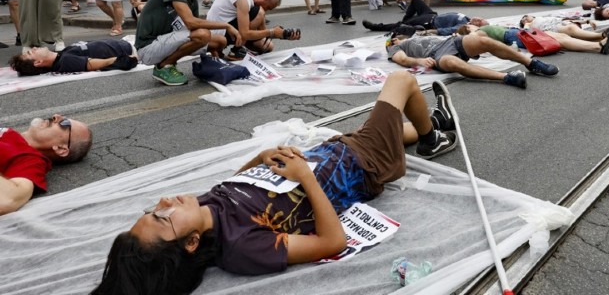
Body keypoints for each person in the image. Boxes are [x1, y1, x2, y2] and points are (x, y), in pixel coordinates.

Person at [92, 72, 457, 294]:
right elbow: (332, 242)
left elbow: (237, 185)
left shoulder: (201, 208)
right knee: (401, 81)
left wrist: (261, 156)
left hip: (334, 151)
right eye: (162, 217)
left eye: (153, 209)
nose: (164, 202)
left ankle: (431, 122)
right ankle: (431, 137)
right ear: (189, 244)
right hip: (364, 166)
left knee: (385, 127)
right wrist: (305, 179)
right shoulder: (242, 248)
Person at [135, 0, 242, 86]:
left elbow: (196, 27)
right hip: (148, 48)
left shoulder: (192, 1)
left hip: (165, 42)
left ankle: (172, 61)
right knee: (203, 35)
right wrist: (227, 26)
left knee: (220, 41)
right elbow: (191, 23)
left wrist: (217, 61)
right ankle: (164, 66)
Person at [387, 32, 558, 89]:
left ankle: (531, 63)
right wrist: (419, 61)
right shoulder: (395, 46)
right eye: (396, 37)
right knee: (452, 63)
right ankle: (506, 77)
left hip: (450, 41)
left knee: (482, 40)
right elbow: (401, 60)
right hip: (435, 55)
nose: (399, 37)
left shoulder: (416, 35)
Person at [1, 114, 92, 215]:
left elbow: (9, 200)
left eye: (64, 123)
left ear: (61, 149)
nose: (56, 116)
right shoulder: (11, 135)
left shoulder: (31, 160)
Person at [206, 0, 296, 59]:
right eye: (268, 7)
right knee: (259, 12)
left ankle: (238, 49)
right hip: (217, 32)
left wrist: (282, 34)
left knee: (268, 47)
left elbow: (263, 33)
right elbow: (244, 34)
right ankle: (235, 51)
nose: (266, 10)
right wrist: (272, 32)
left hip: (228, 27)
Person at [458, 22, 609, 55]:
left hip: (519, 33)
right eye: (470, 24)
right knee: (560, 40)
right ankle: (599, 46)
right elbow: (476, 42)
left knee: (562, 36)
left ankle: (599, 41)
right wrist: (464, 33)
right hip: (515, 36)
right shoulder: (475, 33)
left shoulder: (482, 29)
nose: (474, 22)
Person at [363, 0, 488, 36]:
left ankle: (375, 27)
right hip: (431, 14)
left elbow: (446, 30)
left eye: (478, 23)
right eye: (480, 18)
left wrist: (432, 31)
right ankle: (407, 21)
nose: (477, 20)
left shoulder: (463, 27)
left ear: (476, 27)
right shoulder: (466, 18)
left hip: (429, 22)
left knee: (400, 26)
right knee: (416, 0)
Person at [9, 38, 138, 76]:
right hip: (130, 49)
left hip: (125, 42)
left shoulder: (61, 55)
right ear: (38, 62)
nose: (34, 48)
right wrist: (126, 59)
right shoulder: (65, 61)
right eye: (31, 53)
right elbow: (94, 64)